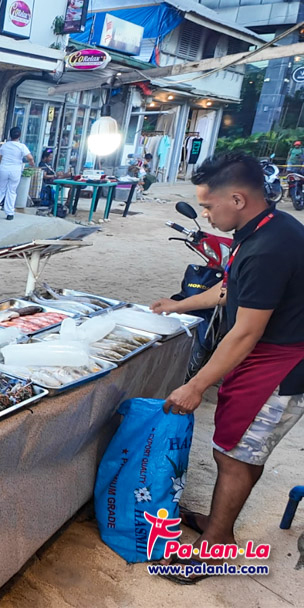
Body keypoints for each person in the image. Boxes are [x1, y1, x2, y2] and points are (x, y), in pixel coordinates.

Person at [151, 153, 304, 583]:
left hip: (278, 367)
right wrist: (178, 304)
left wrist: (196, 386)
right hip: (263, 357)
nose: (204, 213)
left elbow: (244, 332)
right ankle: (218, 524)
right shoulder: (259, 229)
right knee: (236, 450)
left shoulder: (271, 247)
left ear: (237, 198)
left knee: (233, 455)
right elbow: (229, 290)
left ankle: (216, 546)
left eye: (207, 205)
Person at [0, 126, 34, 220]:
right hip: (15, 170)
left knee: (1, 189)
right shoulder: (21, 146)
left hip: (4, 169)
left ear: (10, 135)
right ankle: (9, 213)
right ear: (19, 135)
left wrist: (4, 161)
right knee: (11, 191)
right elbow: (30, 157)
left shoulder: (5, 145)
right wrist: (32, 163)